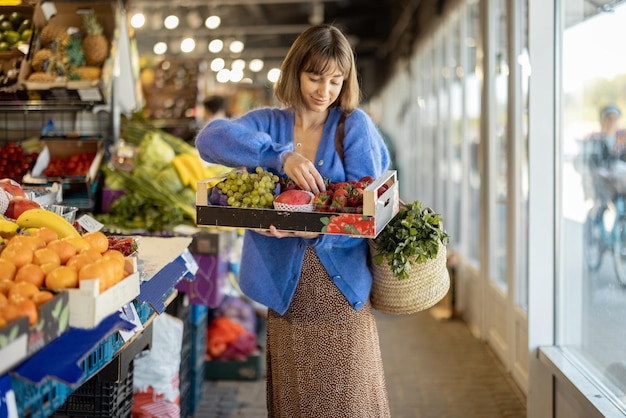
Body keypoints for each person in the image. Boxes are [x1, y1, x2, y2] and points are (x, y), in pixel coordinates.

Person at [195, 24, 391, 417]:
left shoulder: (352, 127)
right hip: (286, 295)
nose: (324, 90)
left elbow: (369, 213)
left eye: (336, 80)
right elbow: (210, 139)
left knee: (347, 401)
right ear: (294, 72)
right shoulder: (270, 123)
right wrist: (279, 156)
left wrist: (307, 229)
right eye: (314, 77)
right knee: (295, 403)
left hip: (338, 293)